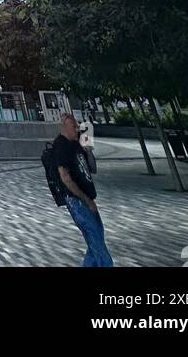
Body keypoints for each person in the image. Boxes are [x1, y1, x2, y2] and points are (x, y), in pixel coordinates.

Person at [53, 112, 113, 266]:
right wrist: (85, 200)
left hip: (87, 198)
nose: (78, 130)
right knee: (98, 246)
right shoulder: (60, 145)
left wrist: (88, 150)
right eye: (74, 127)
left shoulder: (77, 143)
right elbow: (65, 177)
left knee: (96, 242)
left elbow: (92, 169)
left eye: (78, 126)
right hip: (78, 202)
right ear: (65, 127)